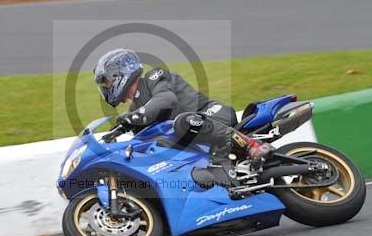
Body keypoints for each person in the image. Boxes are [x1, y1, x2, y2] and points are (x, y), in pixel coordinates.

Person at [93, 49, 274, 173]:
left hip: (212, 113)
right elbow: (145, 142)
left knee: (184, 122)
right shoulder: (136, 110)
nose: (107, 87)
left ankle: (253, 147)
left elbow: (165, 100)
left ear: (120, 73)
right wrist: (113, 138)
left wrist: (130, 118)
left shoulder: (154, 77)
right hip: (197, 137)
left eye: (107, 82)